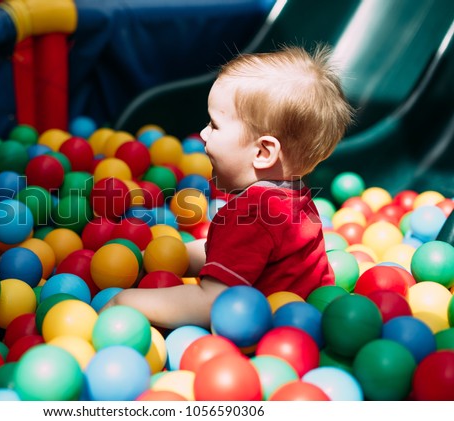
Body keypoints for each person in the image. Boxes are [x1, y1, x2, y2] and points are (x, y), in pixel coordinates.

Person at [102, 45, 354, 329]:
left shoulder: (253, 214)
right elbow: (235, 254)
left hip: (269, 335)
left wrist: (126, 302)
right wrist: (169, 258)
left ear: (262, 152)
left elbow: (213, 303)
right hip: (311, 321)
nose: (203, 133)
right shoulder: (294, 196)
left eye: (215, 125)